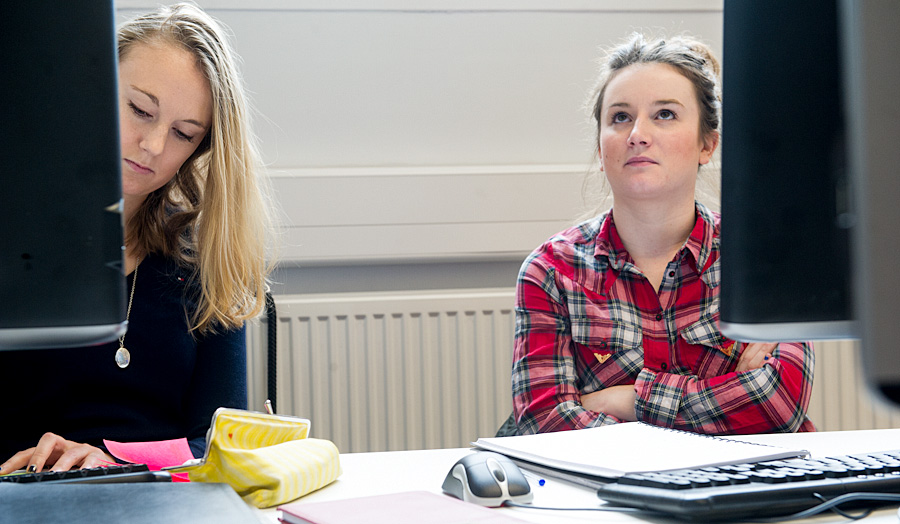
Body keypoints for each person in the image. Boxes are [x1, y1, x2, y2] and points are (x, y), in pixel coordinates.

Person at [0, 3, 272, 473]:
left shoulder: (205, 261)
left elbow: (215, 445)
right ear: (87, 89)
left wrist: (115, 463)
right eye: (140, 110)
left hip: (156, 500)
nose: (154, 145)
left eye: (184, 134)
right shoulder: (12, 239)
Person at [509, 33, 815, 436]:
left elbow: (776, 403)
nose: (637, 133)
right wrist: (722, 397)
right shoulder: (551, 271)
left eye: (665, 114)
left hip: (750, 491)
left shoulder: (768, 256)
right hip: (614, 493)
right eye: (620, 117)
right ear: (602, 151)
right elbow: (544, 421)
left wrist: (629, 401)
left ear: (708, 144)